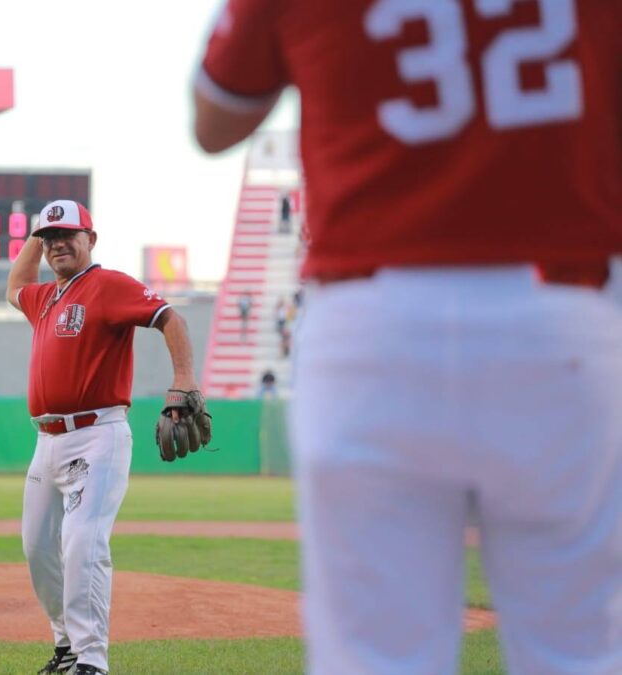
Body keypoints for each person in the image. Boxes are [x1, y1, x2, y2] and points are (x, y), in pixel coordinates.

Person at [193, 2, 622, 675]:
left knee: (374, 658)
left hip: (374, 319)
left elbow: (216, 118)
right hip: (557, 311)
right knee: (579, 650)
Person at [7, 199, 201, 675]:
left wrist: (184, 381)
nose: (57, 245)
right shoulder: (46, 297)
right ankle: (67, 644)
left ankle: (92, 661)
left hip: (97, 436)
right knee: (37, 547)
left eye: (67, 235)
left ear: (90, 239)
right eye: (49, 238)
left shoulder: (108, 285)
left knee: (83, 543)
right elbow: (14, 286)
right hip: (46, 442)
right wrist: (37, 234)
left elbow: (170, 318)